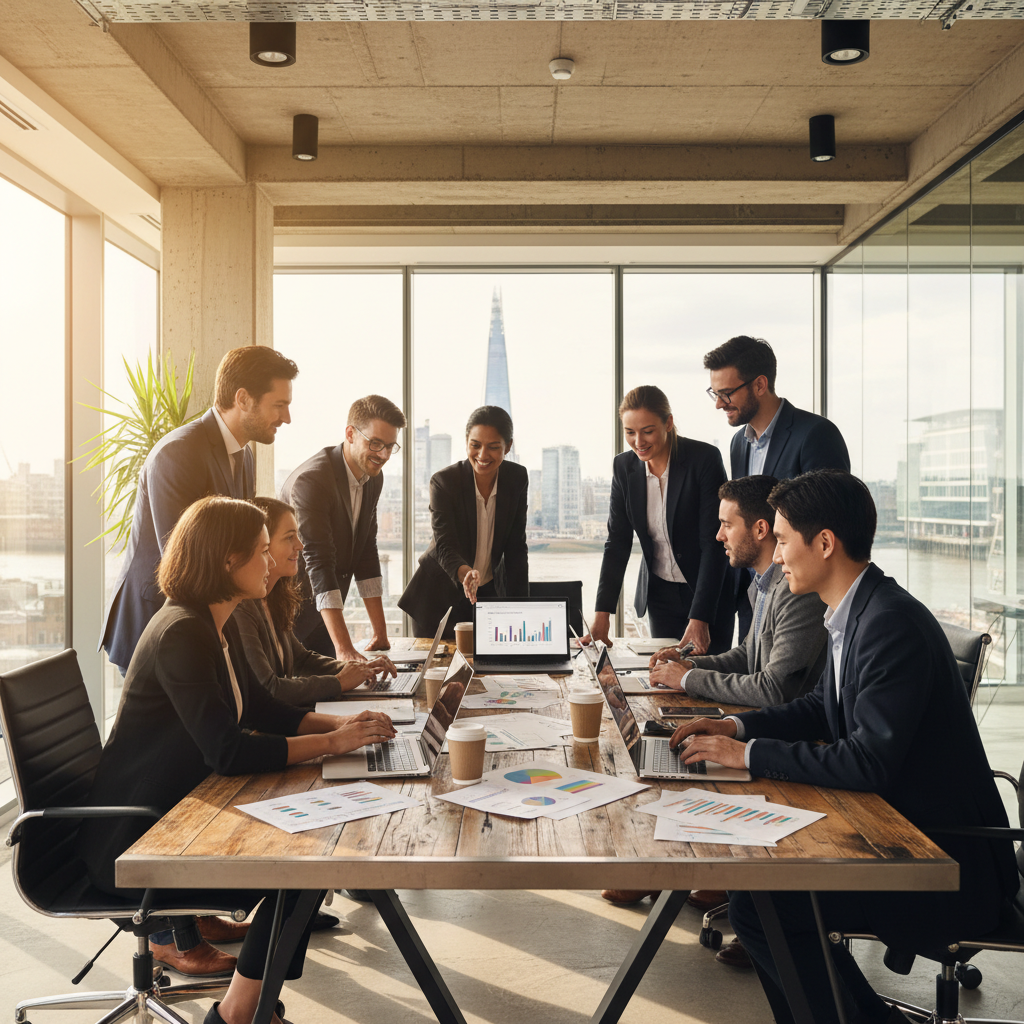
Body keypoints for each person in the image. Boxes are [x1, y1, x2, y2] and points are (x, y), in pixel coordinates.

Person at [669, 470, 1018, 1024]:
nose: (776, 556)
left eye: (783, 540)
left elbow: (867, 760)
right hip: (898, 835)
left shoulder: (888, 624)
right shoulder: (857, 611)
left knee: (768, 904)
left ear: (825, 543)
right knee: (758, 900)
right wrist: (738, 730)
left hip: (942, 861)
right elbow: (820, 710)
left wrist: (749, 756)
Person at [79, 496, 396, 1023]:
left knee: (308, 861)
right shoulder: (181, 631)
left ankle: (251, 1009)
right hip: (136, 841)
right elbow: (227, 750)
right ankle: (239, 1013)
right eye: (261, 552)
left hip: (179, 813)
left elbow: (267, 711)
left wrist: (344, 727)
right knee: (302, 867)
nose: (272, 562)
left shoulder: (212, 624)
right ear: (228, 561)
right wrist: (334, 744)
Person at [598, 475, 829, 962]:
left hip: (795, 748)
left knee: (687, 762)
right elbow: (748, 655)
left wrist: (686, 682)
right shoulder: (765, 583)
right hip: (770, 729)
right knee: (671, 752)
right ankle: (700, 879)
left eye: (726, 525)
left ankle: (720, 889)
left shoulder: (796, 591)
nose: (718, 535)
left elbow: (773, 688)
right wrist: (683, 667)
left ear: (761, 530)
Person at [100, 345, 299, 675]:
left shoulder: (244, 456)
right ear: (243, 398)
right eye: (279, 405)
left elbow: (241, 545)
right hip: (158, 625)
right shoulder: (178, 453)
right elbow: (182, 562)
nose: (287, 418)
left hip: (202, 623)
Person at [704, 334, 850, 641]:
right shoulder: (738, 445)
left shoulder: (816, 435)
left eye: (727, 393)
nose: (719, 404)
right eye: (714, 393)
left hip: (802, 603)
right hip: (755, 593)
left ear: (759, 385)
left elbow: (833, 523)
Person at [589, 385, 732, 654]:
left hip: (706, 593)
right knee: (663, 678)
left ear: (668, 423)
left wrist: (700, 616)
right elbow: (617, 543)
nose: (638, 441)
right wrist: (602, 614)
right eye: (630, 432)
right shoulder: (624, 468)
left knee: (710, 678)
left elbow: (713, 543)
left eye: (647, 431)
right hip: (660, 595)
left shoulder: (703, 459)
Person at [233, 497, 397, 706]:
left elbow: (301, 660)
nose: (300, 546)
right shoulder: (241, 608)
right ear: (262, 543)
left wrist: (359, 669)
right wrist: (338, 682)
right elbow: (270, 688)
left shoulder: (273, 598)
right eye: (290, 537)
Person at [280, 395, 407, 662]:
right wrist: (345, 648)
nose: (383, 455)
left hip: (326, 617)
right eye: (375, 443)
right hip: (292, 620)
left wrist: (380, 634)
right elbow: (318, 562)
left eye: (390, 446)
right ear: (350, 434)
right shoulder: (312, 481)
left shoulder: (373, 477)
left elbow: (366, 552)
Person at [399, 406, 528, 639]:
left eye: (493, 447)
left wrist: (521, 609)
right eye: (475, 445)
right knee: (439, 671)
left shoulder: (516, 479)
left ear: (508, 446)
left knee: (489, 669)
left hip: (486, 595)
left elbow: (516, 549)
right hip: (438, 597)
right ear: (466, 442)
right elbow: (444, 544)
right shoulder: (444, 482)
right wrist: (465, 573)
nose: (482, 455)